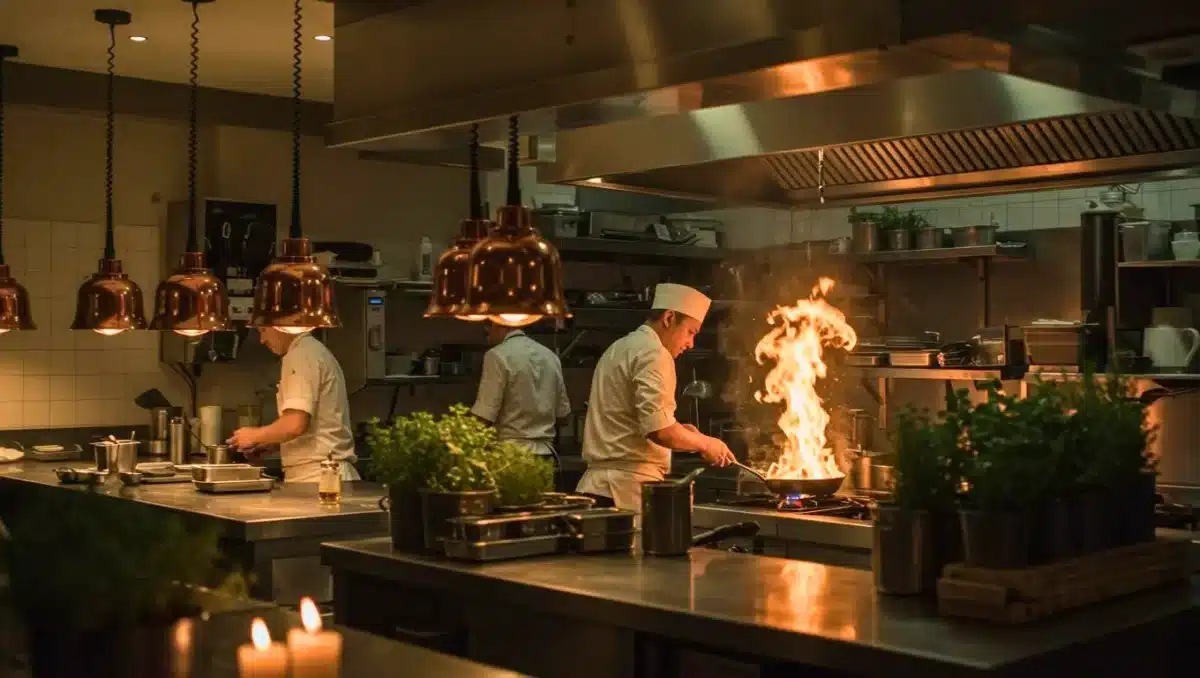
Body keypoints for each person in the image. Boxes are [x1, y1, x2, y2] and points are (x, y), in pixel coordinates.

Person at [576, 283, 736, 511]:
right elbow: (660, 431)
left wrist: (685, 434)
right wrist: (706, 443)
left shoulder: (620, 347)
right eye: (691, 332)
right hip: (625, 492)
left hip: (596, 488)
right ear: (669, 318)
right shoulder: (654, 353)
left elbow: (639, 422)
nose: (691, 344)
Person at [227, 328, 361, 482]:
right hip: (323, 473)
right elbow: (312, 428)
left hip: (318, 478)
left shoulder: (300, 355)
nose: (262, 340)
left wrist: (254, 435)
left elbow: (295, 424)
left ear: (282, 326)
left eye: (264, 330)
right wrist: (271, 442)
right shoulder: (310, 350)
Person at [471, 320, 571, 461]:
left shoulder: (496, 356)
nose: (486, 332)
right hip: (546, 455)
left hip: (512, 456)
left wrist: (459, 437)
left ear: (502, 324)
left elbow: (484, 416)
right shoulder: (551, 357)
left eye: (489, 325)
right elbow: (564, 417)